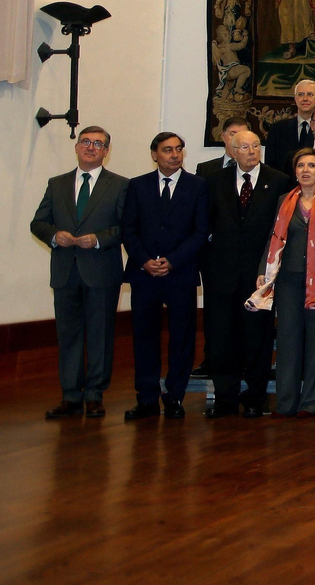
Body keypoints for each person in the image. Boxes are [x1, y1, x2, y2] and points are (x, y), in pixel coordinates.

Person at [33, 127, 128, 420]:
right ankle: (71, 396)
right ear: (77, 147)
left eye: (98, 144)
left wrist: (98, 239)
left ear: (106, 151)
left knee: (100, 335)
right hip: (65, 272)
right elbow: (38, 222)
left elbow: (128, 227)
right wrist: (54, 235)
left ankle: (95, 395)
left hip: (102, 271)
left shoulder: (120, 185)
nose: (91, 147)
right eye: (85, 141)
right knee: (69, 335)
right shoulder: (57, 183)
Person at [120, 133, 208, 421]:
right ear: (154, 154)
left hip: (180, 273)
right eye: (168, 150)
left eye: (179, 149)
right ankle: (146, 398)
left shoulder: (197, 186)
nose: (174, 155)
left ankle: (174, 397)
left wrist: (172, 261)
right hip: (144, 274)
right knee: (145, 337)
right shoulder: (137, 185)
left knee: (182, 338)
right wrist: (145, 261)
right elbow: (128, 229)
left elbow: (200, 231)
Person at [202, 128, 291, 417]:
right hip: (221, 274)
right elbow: (205, 227)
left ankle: (255, 398)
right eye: (244, 147)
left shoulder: (278, 181)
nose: (251, 152)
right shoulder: (214, 181)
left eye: (255, 146)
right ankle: (225, 399)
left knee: (257, 339)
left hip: (259, 276)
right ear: (232, 150)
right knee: (221, 338)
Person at [254, 148, 315, 417]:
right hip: (289, 279)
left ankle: (310, 403)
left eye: (311, 165)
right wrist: (263, 271)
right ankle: (286, 403)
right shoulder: (284, 200)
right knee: (288, 341)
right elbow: (273, 236)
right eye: (301, 165)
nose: (305, 170)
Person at [266, 79, 315, 172]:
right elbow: (270, 165)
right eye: (301, 94)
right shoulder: (277, 129)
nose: (305, 98)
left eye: (310, 94)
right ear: (295, 99)